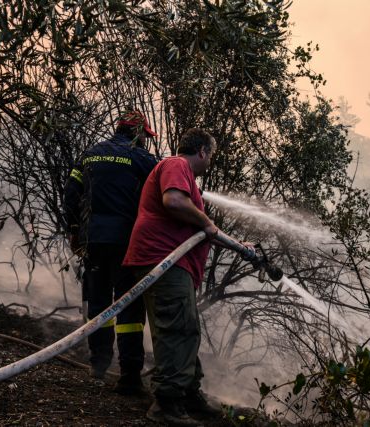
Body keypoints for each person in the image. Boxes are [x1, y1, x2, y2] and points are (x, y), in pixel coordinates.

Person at [123, 128, 253, 425]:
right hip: (163, 262)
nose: (211, 161)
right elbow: (174, 202)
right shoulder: (176, 165)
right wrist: (207, 223)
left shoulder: (186, 183)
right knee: (177, 330)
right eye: (212, 155)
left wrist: (240, 246)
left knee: (187, 329)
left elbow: (202, 231)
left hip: (171, 264)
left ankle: (188, 394)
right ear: (203, 152)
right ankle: (166, 404)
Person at [63, 110, 158, 394]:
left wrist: (74, 229)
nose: (145, 141)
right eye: (145, 136)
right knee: (129, 305)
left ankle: (99, 366)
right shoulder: (142, 159)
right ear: (138, 133)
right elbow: (160, 194)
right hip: (126, 243)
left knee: (99, 303)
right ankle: (130, 375)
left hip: (93, 240)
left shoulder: (90, 154)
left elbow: (71, 192)